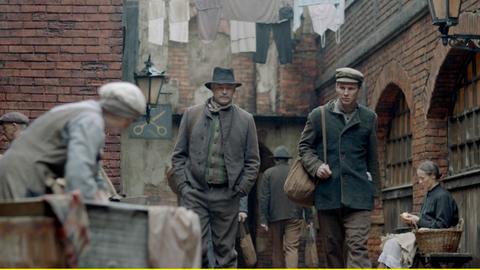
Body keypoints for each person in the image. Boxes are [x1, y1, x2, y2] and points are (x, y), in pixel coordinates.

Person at [171, 67, 260, 268]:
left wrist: (240, 190)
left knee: (226, 252)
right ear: (212, 89)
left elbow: (253, 162)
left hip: (227, 196)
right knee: (197, 248)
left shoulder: (246, 120)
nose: (224, 92)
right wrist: (185, 188)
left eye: (229, 88)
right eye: (220, 87)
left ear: (234, 90)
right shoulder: (191, 115)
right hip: (195, 194)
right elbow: (178, 156)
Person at [0, 81, 146, 202]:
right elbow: (79, 171)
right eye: (130, 119)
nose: (127, 126)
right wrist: (95, 207)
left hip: (25, 174)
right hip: (21, 177)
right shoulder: (90, 120)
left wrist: (103, 194)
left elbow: (92, 170)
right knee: (24, 231)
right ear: (119, 112)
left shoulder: (90, 114)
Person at [298, 67, 380, 268]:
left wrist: (374, 193)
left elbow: (373, 158)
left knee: (357, 246)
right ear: (336, 87)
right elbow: (304, 147)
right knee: (332, 249)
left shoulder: (369, 118)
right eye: (342, 87)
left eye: (350, 88)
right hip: (328, 194)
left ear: (358, 90)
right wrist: (316, 166)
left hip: (359, 195)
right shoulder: (319, 116)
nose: (345, 93)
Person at [377, 160, 459, 268]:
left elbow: (442, 225)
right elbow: (427, 220)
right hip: (423, 237)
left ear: (433, 176)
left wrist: (418, 220)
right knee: (390, 243)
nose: (420, 182)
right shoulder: (429, 195)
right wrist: (412, 221)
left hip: (434, 240)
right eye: (419, 178)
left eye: (422, 178)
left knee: (393, 244)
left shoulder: (442, 196)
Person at [259, 145, 312, 268]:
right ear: (287, 159)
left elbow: (264, 198)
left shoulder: (268, 174)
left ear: (276, 159)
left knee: (276, 250)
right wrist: (309, 218)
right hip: (294, 216)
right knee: (292, 248)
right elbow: (304, 194)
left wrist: (263, 220)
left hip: (274, 217)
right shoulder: (295, 172)